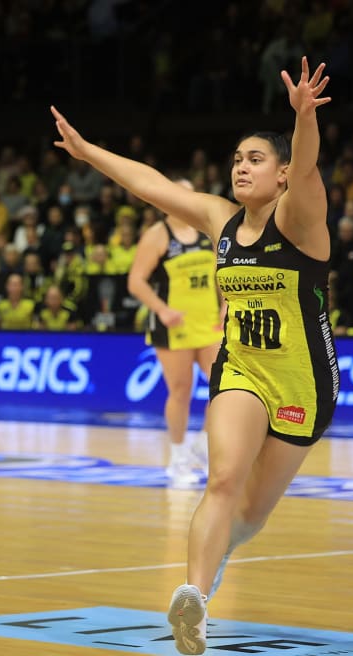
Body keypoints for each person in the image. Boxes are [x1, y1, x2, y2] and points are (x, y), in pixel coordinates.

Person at [52, 57, 336, 654]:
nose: (240, 166)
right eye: (236, 158)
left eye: (254, 158)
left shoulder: (302, 217)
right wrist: (88, 153)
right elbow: (151, 183)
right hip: (241, 369)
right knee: (224, 478)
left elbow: (308, 163)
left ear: (282, 174)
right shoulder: (219, 219)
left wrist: (304, 116)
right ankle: (195, 602)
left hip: (304, 383)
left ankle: (220, 555)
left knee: (251, 516)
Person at [126, 177, 222, 486]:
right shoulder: (158, 235)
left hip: (209, 322)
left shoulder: (209, 233)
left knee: (223, 388)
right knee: (180, 392)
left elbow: (223, 273)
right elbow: (136, 281)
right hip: (174, 325)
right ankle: (178, 457)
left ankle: (203, 447)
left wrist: (226, 305)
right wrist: (162, 310)